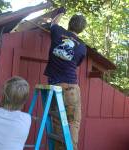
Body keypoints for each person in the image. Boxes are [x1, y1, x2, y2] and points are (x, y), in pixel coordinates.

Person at [44, 8, 87, 150]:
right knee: (73, 123)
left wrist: (61, 11)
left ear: (70, 23)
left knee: (57, 123)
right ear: (82, 29)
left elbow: (54, 22)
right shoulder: (82, 47)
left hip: (55, 87)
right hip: (71, 88)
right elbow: (77, 64)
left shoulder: (57, 32)